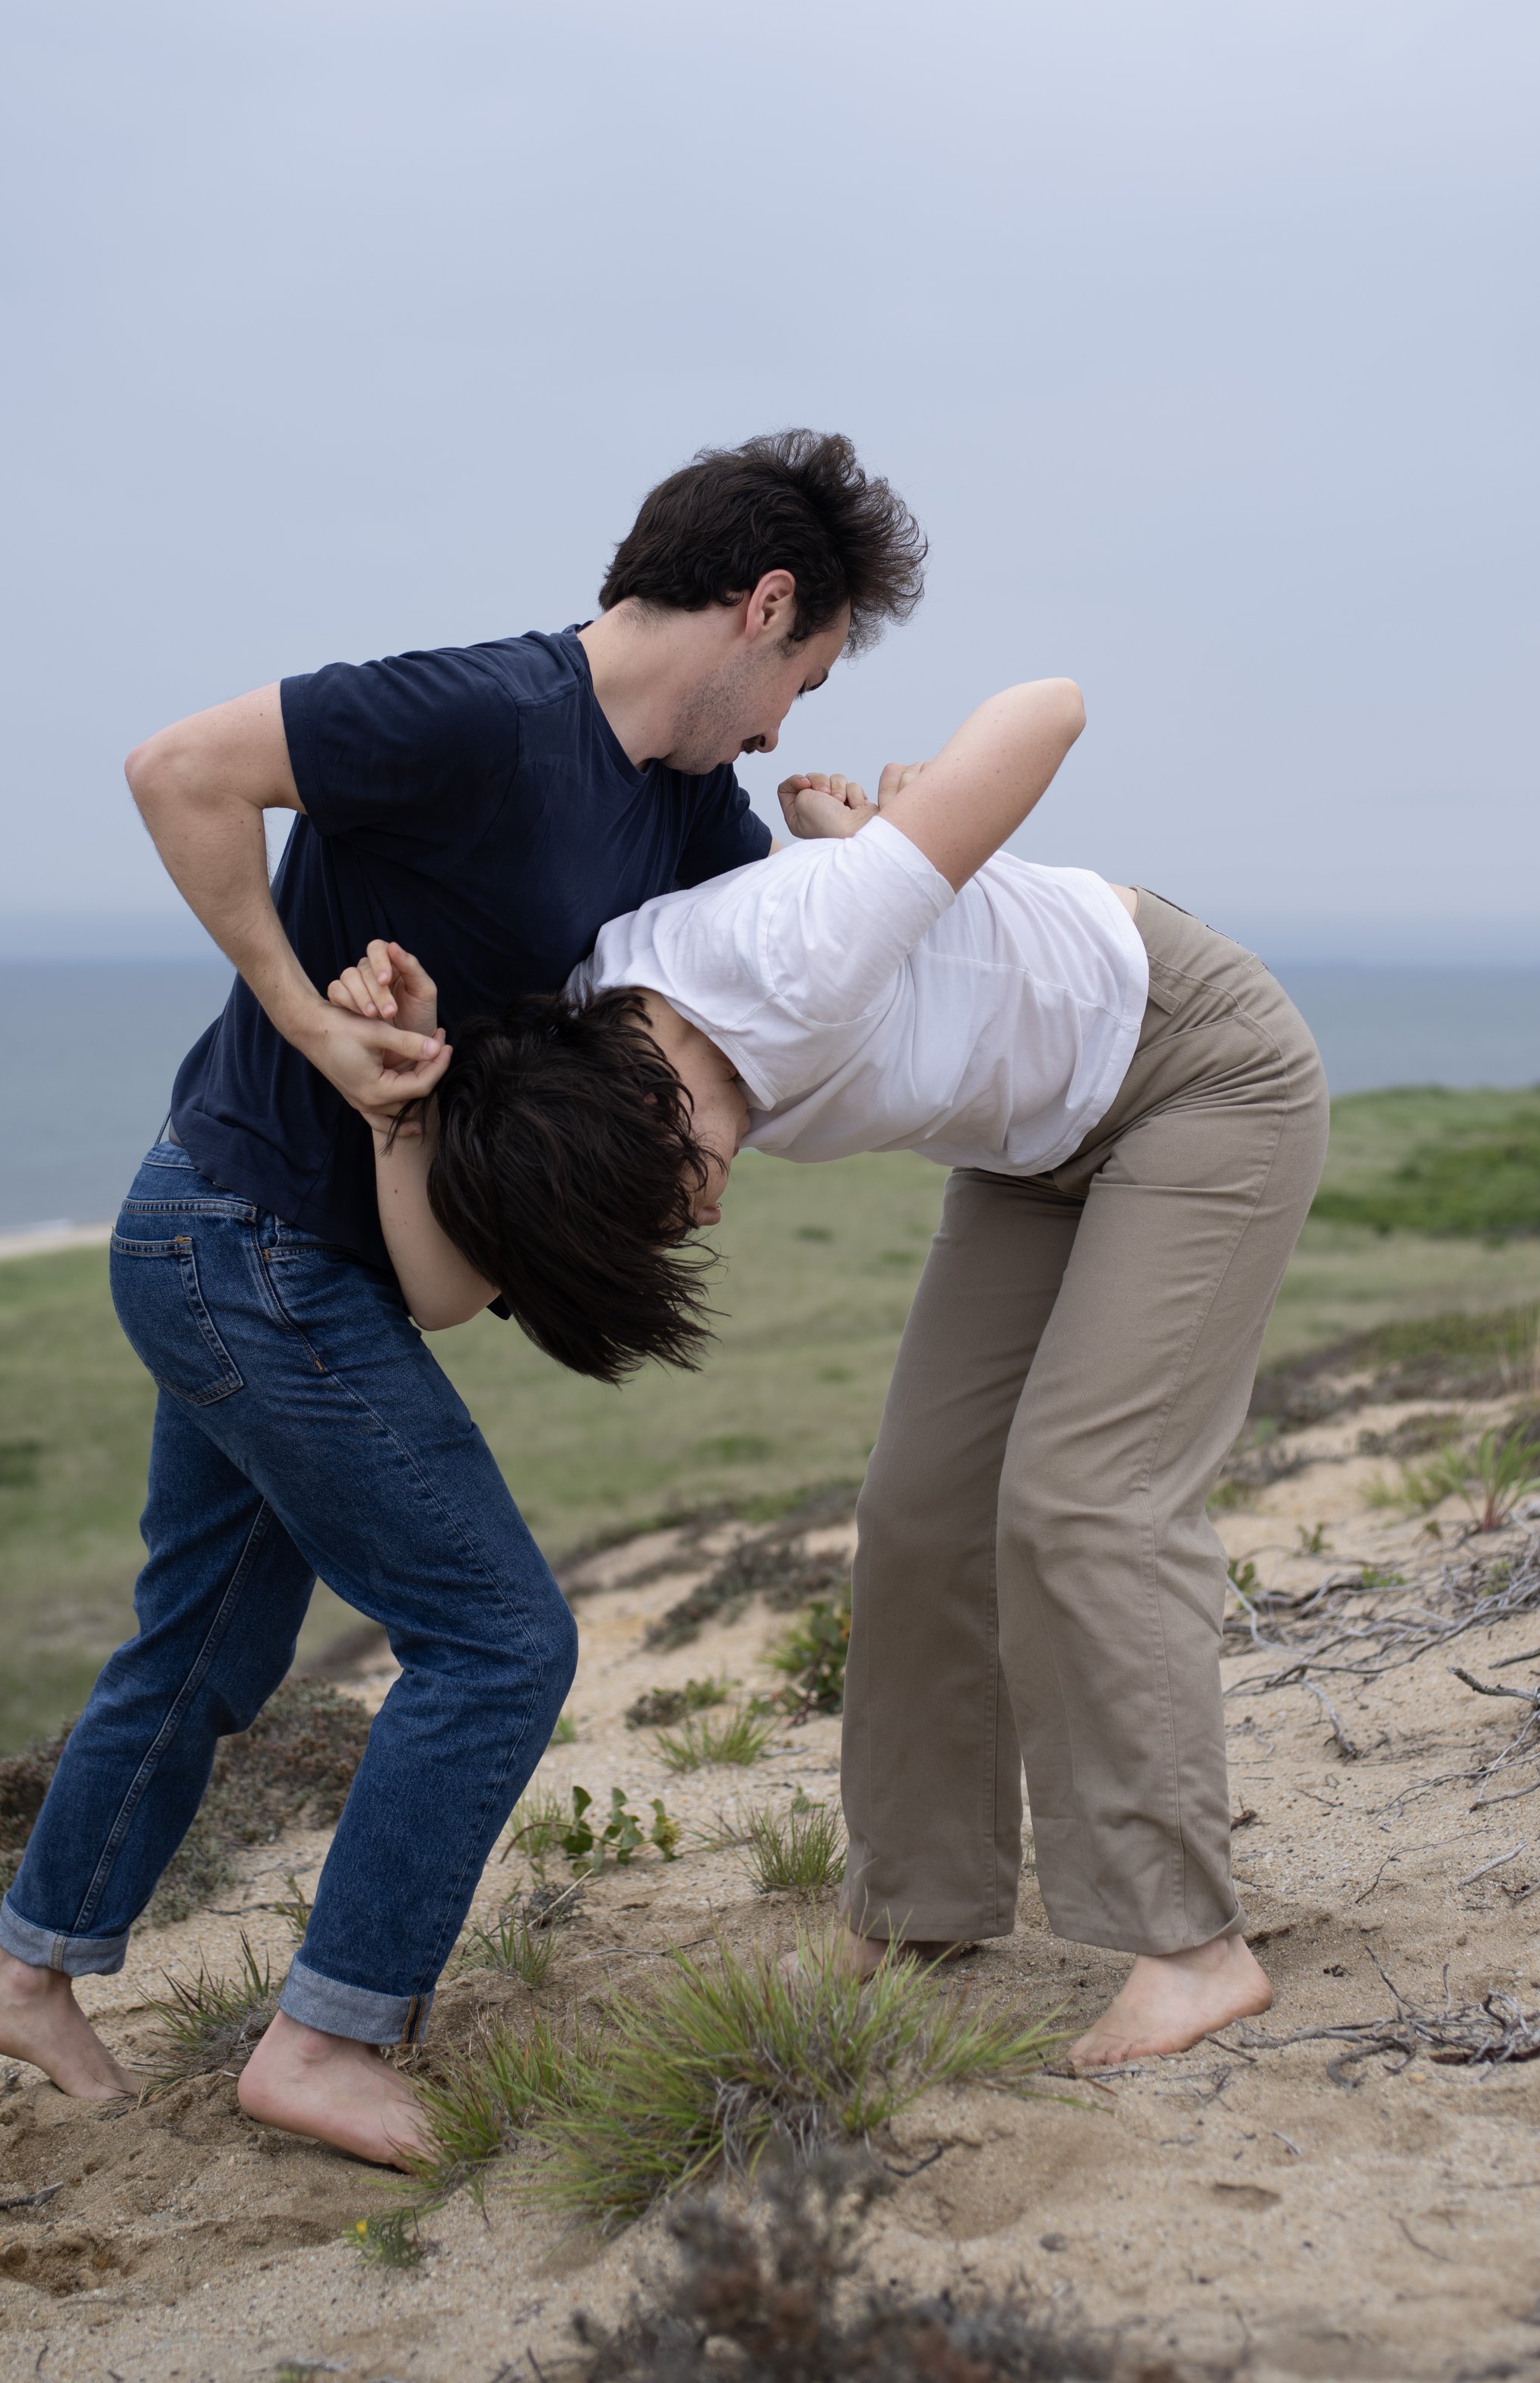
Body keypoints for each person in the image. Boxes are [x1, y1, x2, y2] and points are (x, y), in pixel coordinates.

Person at [0, 432, 927, 2161]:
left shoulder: (684, 807)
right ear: (760, 607)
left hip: (311, 1259)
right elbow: (180, 768)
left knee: (209, 1632)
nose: (784, 721)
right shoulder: (477, 708)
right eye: (803, 674)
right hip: (234, 1234)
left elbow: (764, 969)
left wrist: (842, 843)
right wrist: (310, 1016)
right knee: (497, 1639)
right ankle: (327, 2036)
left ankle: (31, 1969)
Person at [332, 671, 1328, 2070]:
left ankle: (1193, 1947)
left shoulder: (797, 949)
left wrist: (914, 838)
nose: (706, 1214)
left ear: (656, 1090)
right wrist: (396, 1104)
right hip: (1035, 1144)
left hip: (1198, 1076)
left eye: (674, 1186)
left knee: (1083, 1501)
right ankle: (919, 1905)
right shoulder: (578, 1053)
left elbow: (1048, 706)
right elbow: (443, 1295)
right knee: (921, 1514)